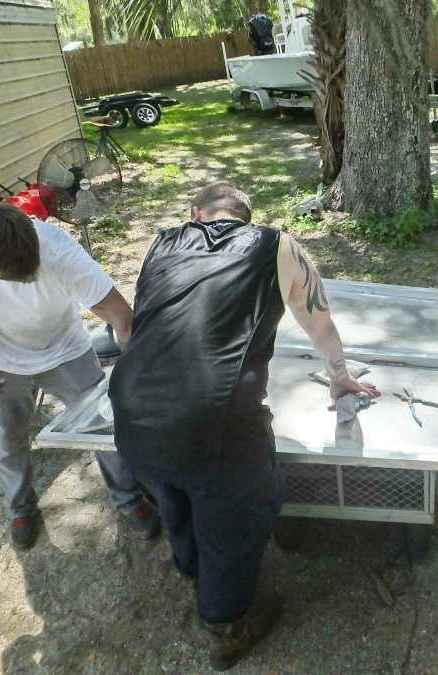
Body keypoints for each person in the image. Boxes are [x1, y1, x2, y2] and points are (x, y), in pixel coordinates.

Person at [109, 181, 379, 671]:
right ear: (246, 219)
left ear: (196, 214)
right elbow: (320, 323)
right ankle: (226, 627)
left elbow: (144, 323)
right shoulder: (278, 245)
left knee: (173, 492)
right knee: (239, 511)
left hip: (131, 412)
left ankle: (192, 568)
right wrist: (340, 378)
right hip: (218, 422)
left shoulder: (162, 242)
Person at [0, 203, 160, 550]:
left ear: (35, 237)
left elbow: (121, 317)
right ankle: (21, 508)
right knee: (8, 437)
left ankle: (129, 499)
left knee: (105, 426)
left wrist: (138, 371)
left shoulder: (58, 250)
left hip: (67, 350)